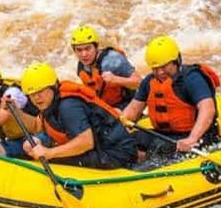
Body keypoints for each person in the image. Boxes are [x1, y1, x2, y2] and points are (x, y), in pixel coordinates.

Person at [8, 62, 137, 169]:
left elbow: (86, 142)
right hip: (103, 150)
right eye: (32, 94)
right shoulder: (49, 102)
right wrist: (38, 140)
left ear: (53, 87)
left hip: (116, 153)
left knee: (51, 162)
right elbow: (37, 126)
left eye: (41, 91)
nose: (37, 98)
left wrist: (49, 153)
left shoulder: (68, 106)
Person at [121, 36, 220, 156]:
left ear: (176, 60)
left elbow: (208, 109)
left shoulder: (192, 79)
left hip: (196, 136)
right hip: (165, 134)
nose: (160, 72)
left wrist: (192, 138)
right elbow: (133, 110)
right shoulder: (149, 82)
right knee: (126, 142)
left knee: (159, 148)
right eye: (155, 68)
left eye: (164, 66)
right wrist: (119, 124)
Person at [70, 25, 141, 110]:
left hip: (126, 104)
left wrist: (115, 79)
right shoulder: (82, 65)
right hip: (104, 106)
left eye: (88, 48)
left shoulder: (113, 60)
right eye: (79, 50)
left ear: (96, 47)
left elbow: (139, 82)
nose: (84, 54)